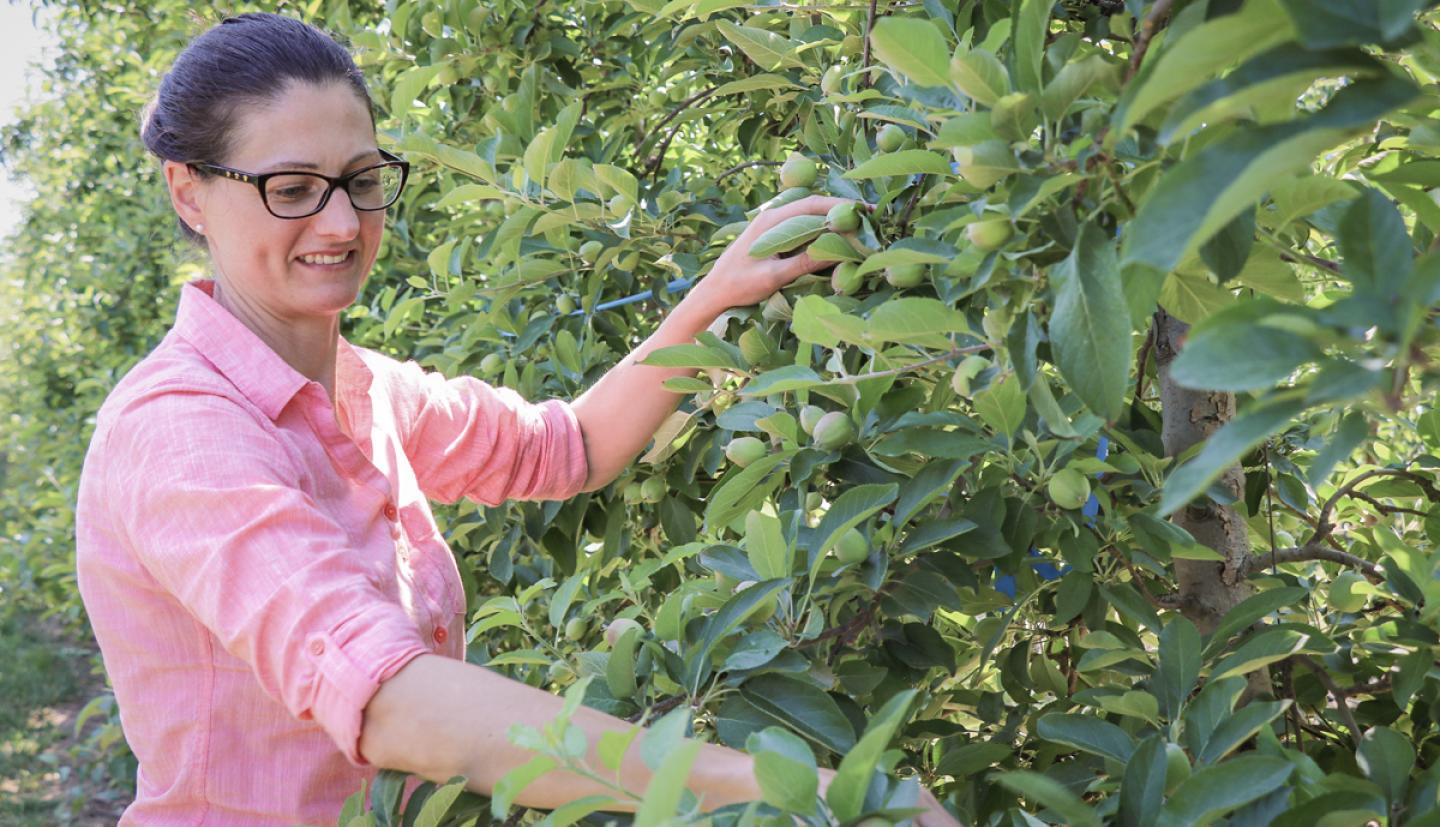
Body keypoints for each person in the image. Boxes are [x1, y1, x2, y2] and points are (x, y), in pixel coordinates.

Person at [74, 12, 960, 827]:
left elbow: (570, 445)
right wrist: (778, 786)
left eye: (361, 180)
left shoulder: (368, 391)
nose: (341, 222)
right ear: (189, 193)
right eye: (293, 187)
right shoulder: (180, 433)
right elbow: (388, 701)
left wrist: (719, 296)